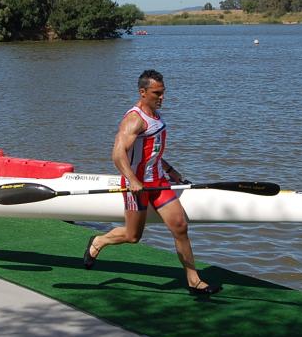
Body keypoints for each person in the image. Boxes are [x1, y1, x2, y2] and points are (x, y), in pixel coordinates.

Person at [83, 69, 220, 295]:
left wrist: (171, 170)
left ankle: (193, 280)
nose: (162, 97)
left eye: (163, 92)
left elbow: (151, 151)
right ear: (143, 92)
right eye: (157, 93)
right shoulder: (133, 120)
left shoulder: (155, 115)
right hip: (136, 187)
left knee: (180, 227)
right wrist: (133, 180)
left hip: (159, 183)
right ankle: (98, 241)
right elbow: (118, 154)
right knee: (132, 236)